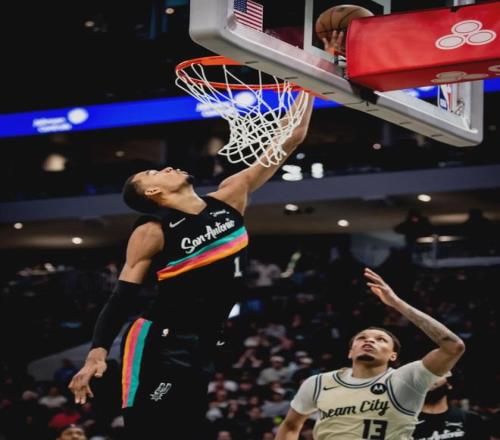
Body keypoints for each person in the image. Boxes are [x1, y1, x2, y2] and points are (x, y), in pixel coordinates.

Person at [68, 91, 315, 440]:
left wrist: (307, 86)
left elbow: (292, 137)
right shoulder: (152, 229)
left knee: (186, 429)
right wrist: (97, 352)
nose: (166, 167)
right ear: (152, 192)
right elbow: (122, 296)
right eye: (154, 171)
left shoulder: (232, 195)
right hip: (159, 338)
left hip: (205, 340)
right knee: (149, 427)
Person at [275, 268, 466, 440]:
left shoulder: (406, 379)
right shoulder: (318, 383)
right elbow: (290, 426)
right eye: (361, 338)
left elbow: (453, 346)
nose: (369, 341)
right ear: (350, 352)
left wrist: (397, 303)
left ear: (393, 356)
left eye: (381, 339)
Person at [413, 374, 489, 440]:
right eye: (425, 375)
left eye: (437, 374)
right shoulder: (408, 423)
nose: (431, 379)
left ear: (449, 384)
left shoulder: (471, 420)